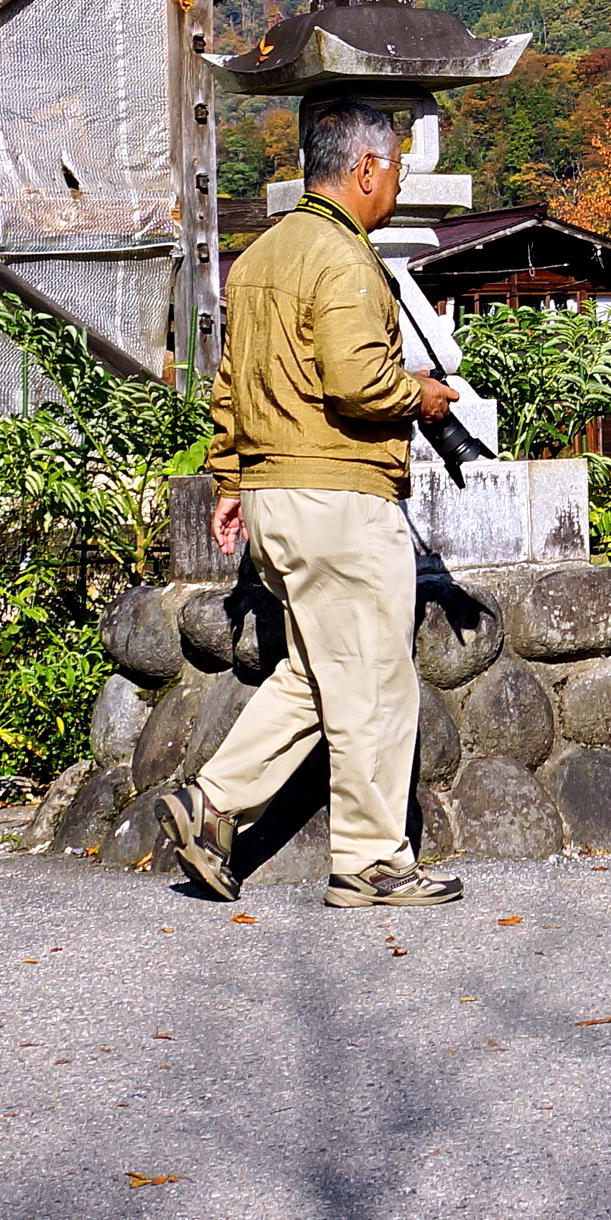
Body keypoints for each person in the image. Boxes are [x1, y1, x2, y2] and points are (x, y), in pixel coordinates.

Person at [161, 99, 466, 911]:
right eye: (396, 164)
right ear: (364, 168)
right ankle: (371, 861)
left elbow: (229, 385)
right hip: (340, 494)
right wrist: (426, 397)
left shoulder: (260, 256)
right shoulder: (343, 258)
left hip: (273, 494)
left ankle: (211, 801)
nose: (398, 180)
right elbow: (358, 381)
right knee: (374, 680)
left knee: (314, 670)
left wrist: (229, 479)